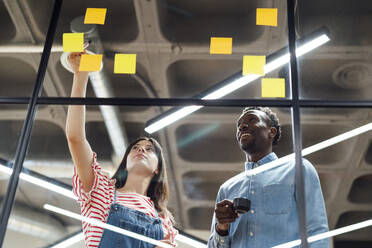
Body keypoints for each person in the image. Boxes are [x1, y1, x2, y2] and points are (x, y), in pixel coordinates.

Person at [65, 51, 178, 248]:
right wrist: (80, 75)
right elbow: (75, 138)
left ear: (158, 168)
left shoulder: (162, 220)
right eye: (135, 147)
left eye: (149, 149)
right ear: (125, 160)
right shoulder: (101, 189)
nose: (141, 150)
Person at [208, 107, 330, 248]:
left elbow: (317, 232)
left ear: (271, 132)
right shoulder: (227, 189)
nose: (242, 126)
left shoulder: (297, 169)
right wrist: (221, 228)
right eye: (239, 125)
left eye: (252, 120)